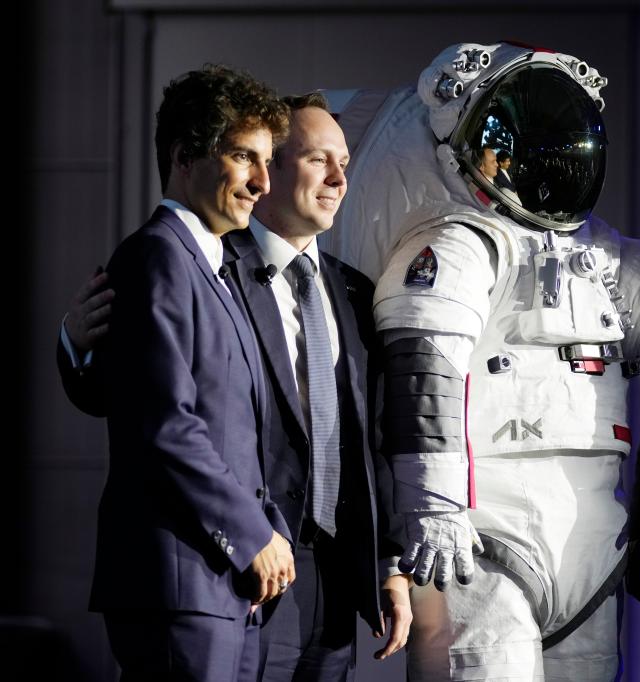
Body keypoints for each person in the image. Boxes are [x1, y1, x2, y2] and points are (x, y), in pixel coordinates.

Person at [332, 42, 640, 680]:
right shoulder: (455, 243)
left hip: (590, 540)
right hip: (482, 536)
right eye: (506, 147)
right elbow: (425, 366)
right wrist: (433, 506)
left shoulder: (611, 260)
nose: (526, 163)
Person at [59, 93, 412, 680]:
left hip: (330, 581)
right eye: (317, 158)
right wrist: (78, 343)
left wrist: (387, 560)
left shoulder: (353, 292)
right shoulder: (209, 262)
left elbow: (367, 440)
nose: (338, 178)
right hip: (239, 563)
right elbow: (142, 403)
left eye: (345, 162)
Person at [80, 64, 295, 681]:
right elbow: (164, 424)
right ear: (183, 156)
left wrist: (267, 534)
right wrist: (251, 533)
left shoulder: (216, 269)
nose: (261, 181)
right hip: (180, 584)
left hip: (220, 585)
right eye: (241, 157)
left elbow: (235, 425)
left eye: (267, 160)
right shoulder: (158, 257)